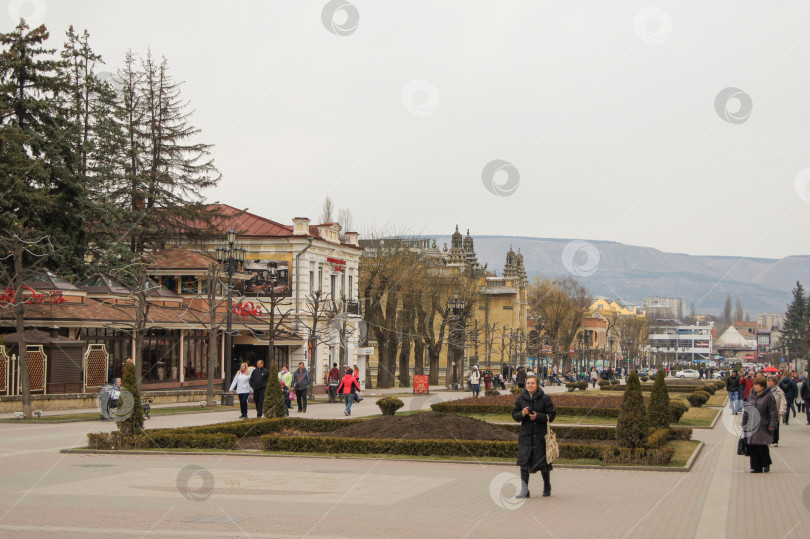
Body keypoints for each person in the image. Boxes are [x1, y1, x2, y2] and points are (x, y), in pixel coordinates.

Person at [512, 374, 556, 498]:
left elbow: (552, 415)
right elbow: (514, 415)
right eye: (528, 383)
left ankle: (547, 485)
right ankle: (524, 490)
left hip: (540, 436)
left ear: (537, 385)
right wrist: (522, 413)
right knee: (524, 462)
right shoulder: (521, 398)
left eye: (532, 383)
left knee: (543, 463)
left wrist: (538, 416)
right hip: (526, 436)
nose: (530, 385)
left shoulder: (545, 398)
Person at [742, 376, 778, 473]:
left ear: (762, 386)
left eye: (757, 385)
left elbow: (773, 412)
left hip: (763, 425)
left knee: (762, 446)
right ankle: (756, 467)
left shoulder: (769, 396)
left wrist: (772, 425)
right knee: (753, 446)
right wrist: (744, 423)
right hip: (751, 425)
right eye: (754, 385)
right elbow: (746, 410)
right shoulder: (751, 396)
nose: (755, 387)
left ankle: (766, 464)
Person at [766, 376, 786, 447]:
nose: (769, 382)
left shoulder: (779, 391)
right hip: (767, 412)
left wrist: (782, 411)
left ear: (774, 382)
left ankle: (775, 441)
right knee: (767, 426)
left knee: (775, 426)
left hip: (776, 412)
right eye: (768, 381)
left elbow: (783, 402)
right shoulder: (766, 390)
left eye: (770, 381)